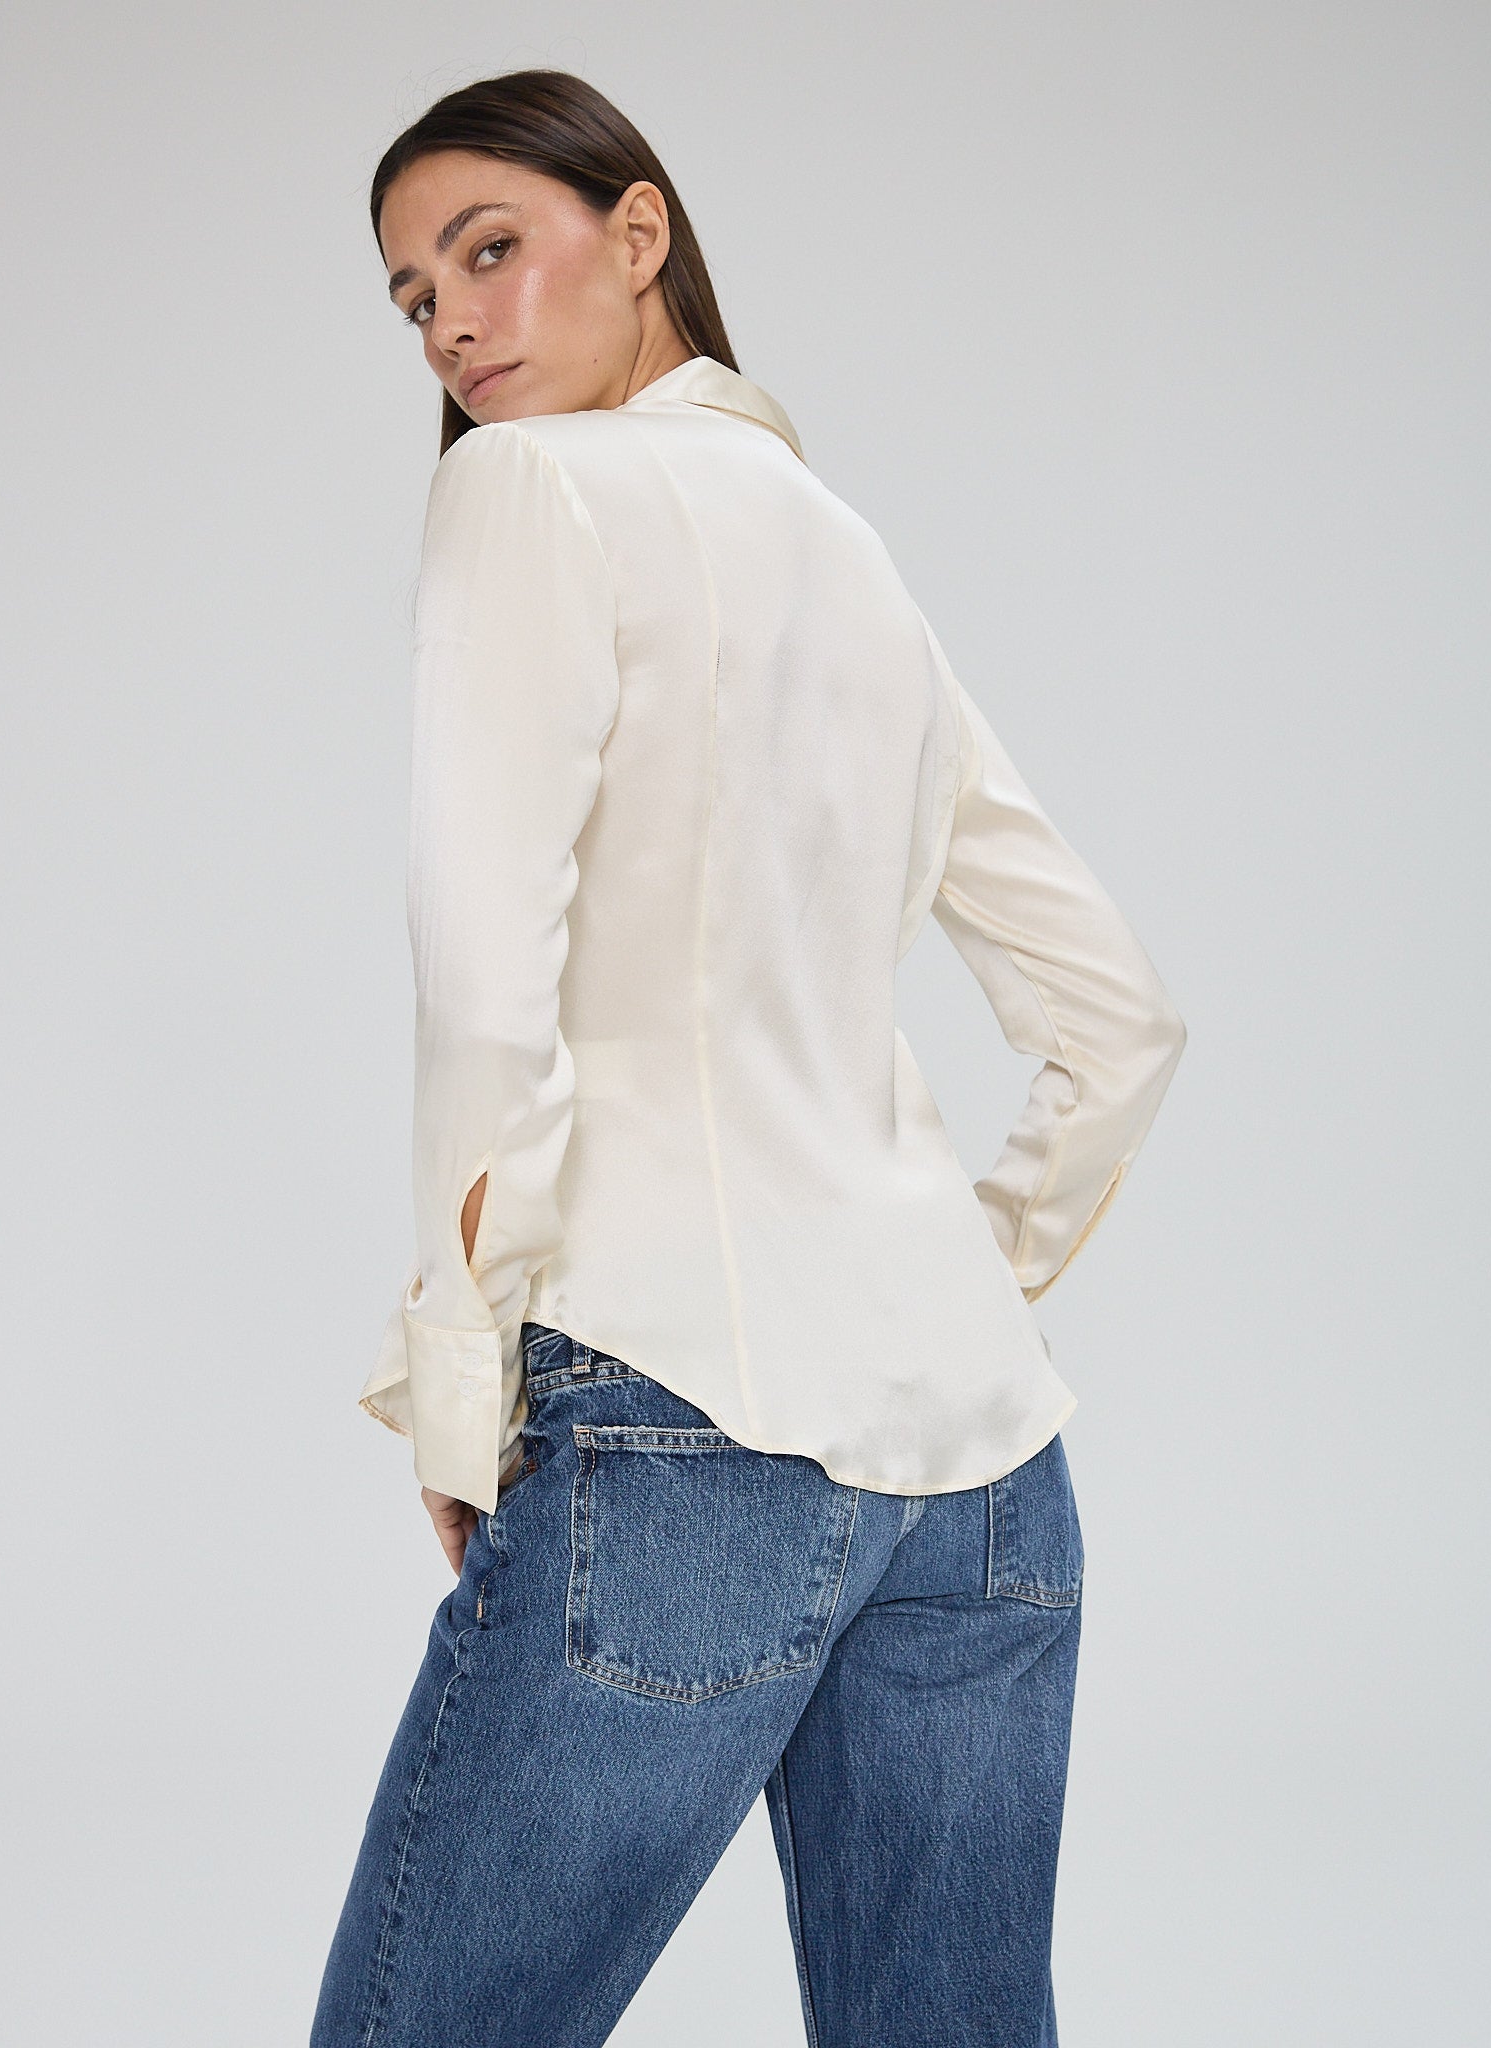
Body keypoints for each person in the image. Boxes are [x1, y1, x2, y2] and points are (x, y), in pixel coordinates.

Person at [311, 67, 1186, 2048]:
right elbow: (1115, 1011)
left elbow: (481, 982)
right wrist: (974, 1267)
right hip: (987, 1474)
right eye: (410, 296)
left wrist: (464, 1380)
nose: (450, 321)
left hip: (680, 1412)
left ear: (641, 236)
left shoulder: (524, 489)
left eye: (489, 249)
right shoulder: (844, 549)